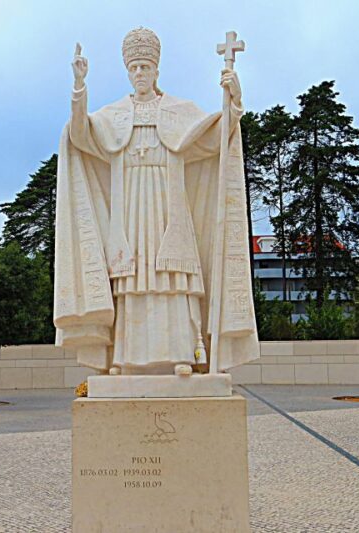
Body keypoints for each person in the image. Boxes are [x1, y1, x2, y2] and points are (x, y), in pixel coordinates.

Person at [54, 28, 258, 376]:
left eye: (145, 67)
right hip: (130, 209)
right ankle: (124, 357)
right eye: (134, 68)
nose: (139, 74)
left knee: (170, 278)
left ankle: (183, 354)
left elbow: (215, 137)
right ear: (127, 72)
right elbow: (81, 135)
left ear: (156, 71)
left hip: (169, 207)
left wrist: (234, 103)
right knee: (132, 279)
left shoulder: (179, 112)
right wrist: (79, 88)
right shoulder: (114, 115)